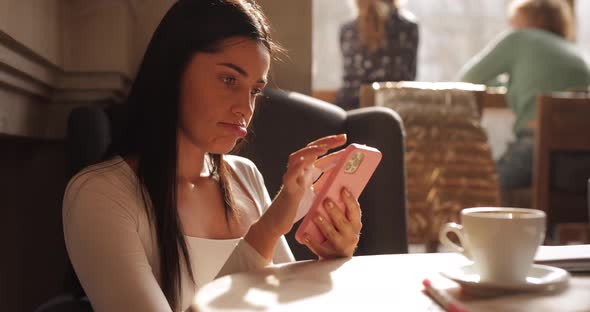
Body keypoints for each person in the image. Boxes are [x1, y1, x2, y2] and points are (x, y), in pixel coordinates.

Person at [62, 1, 362, 311]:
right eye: (229, 80)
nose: (245, 108)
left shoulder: (244, 176)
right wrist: (267, 230)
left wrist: (328, 261)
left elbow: (284, 302)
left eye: (255, 90)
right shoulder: (99, 195)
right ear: (172, 71)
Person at [459, 0, 590, 191]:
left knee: (481, 188)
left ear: (528, 18)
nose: (510, 24)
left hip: (537, 147)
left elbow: (469, 77)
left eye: (514, 20)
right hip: (581, 160)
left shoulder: (519, 38)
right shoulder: (574, 51)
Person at [334, 0, 419, 110]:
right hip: (394, 109)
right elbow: (409, 77)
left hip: (351, 110)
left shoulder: (347, 29)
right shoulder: (408, 27)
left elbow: (349, 80)